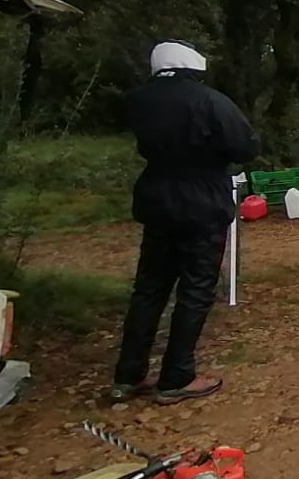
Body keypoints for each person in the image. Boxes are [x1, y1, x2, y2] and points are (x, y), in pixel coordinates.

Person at [110, 40, 260, 404]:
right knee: (194, 290)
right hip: (201, 202)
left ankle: (128, 375)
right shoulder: (210, 101)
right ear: (194, 67)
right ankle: (176, 376)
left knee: (149, 289)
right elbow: (246, 146)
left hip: (157, 200)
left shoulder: (138, 100)